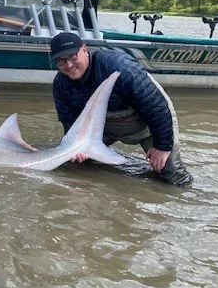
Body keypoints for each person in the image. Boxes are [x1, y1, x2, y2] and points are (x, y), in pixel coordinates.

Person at [49, 32, 193, 186]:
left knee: (171, 174)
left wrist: (162, 146)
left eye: (72, 57)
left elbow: (156, 108)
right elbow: (69, 120)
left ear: (84, 50)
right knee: (67, 162)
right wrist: (75, 148)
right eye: (61, 61)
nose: (69, 65)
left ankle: (188, 194)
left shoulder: (118, 66)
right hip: (105, 128)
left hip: (146, 127)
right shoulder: (60, 84)